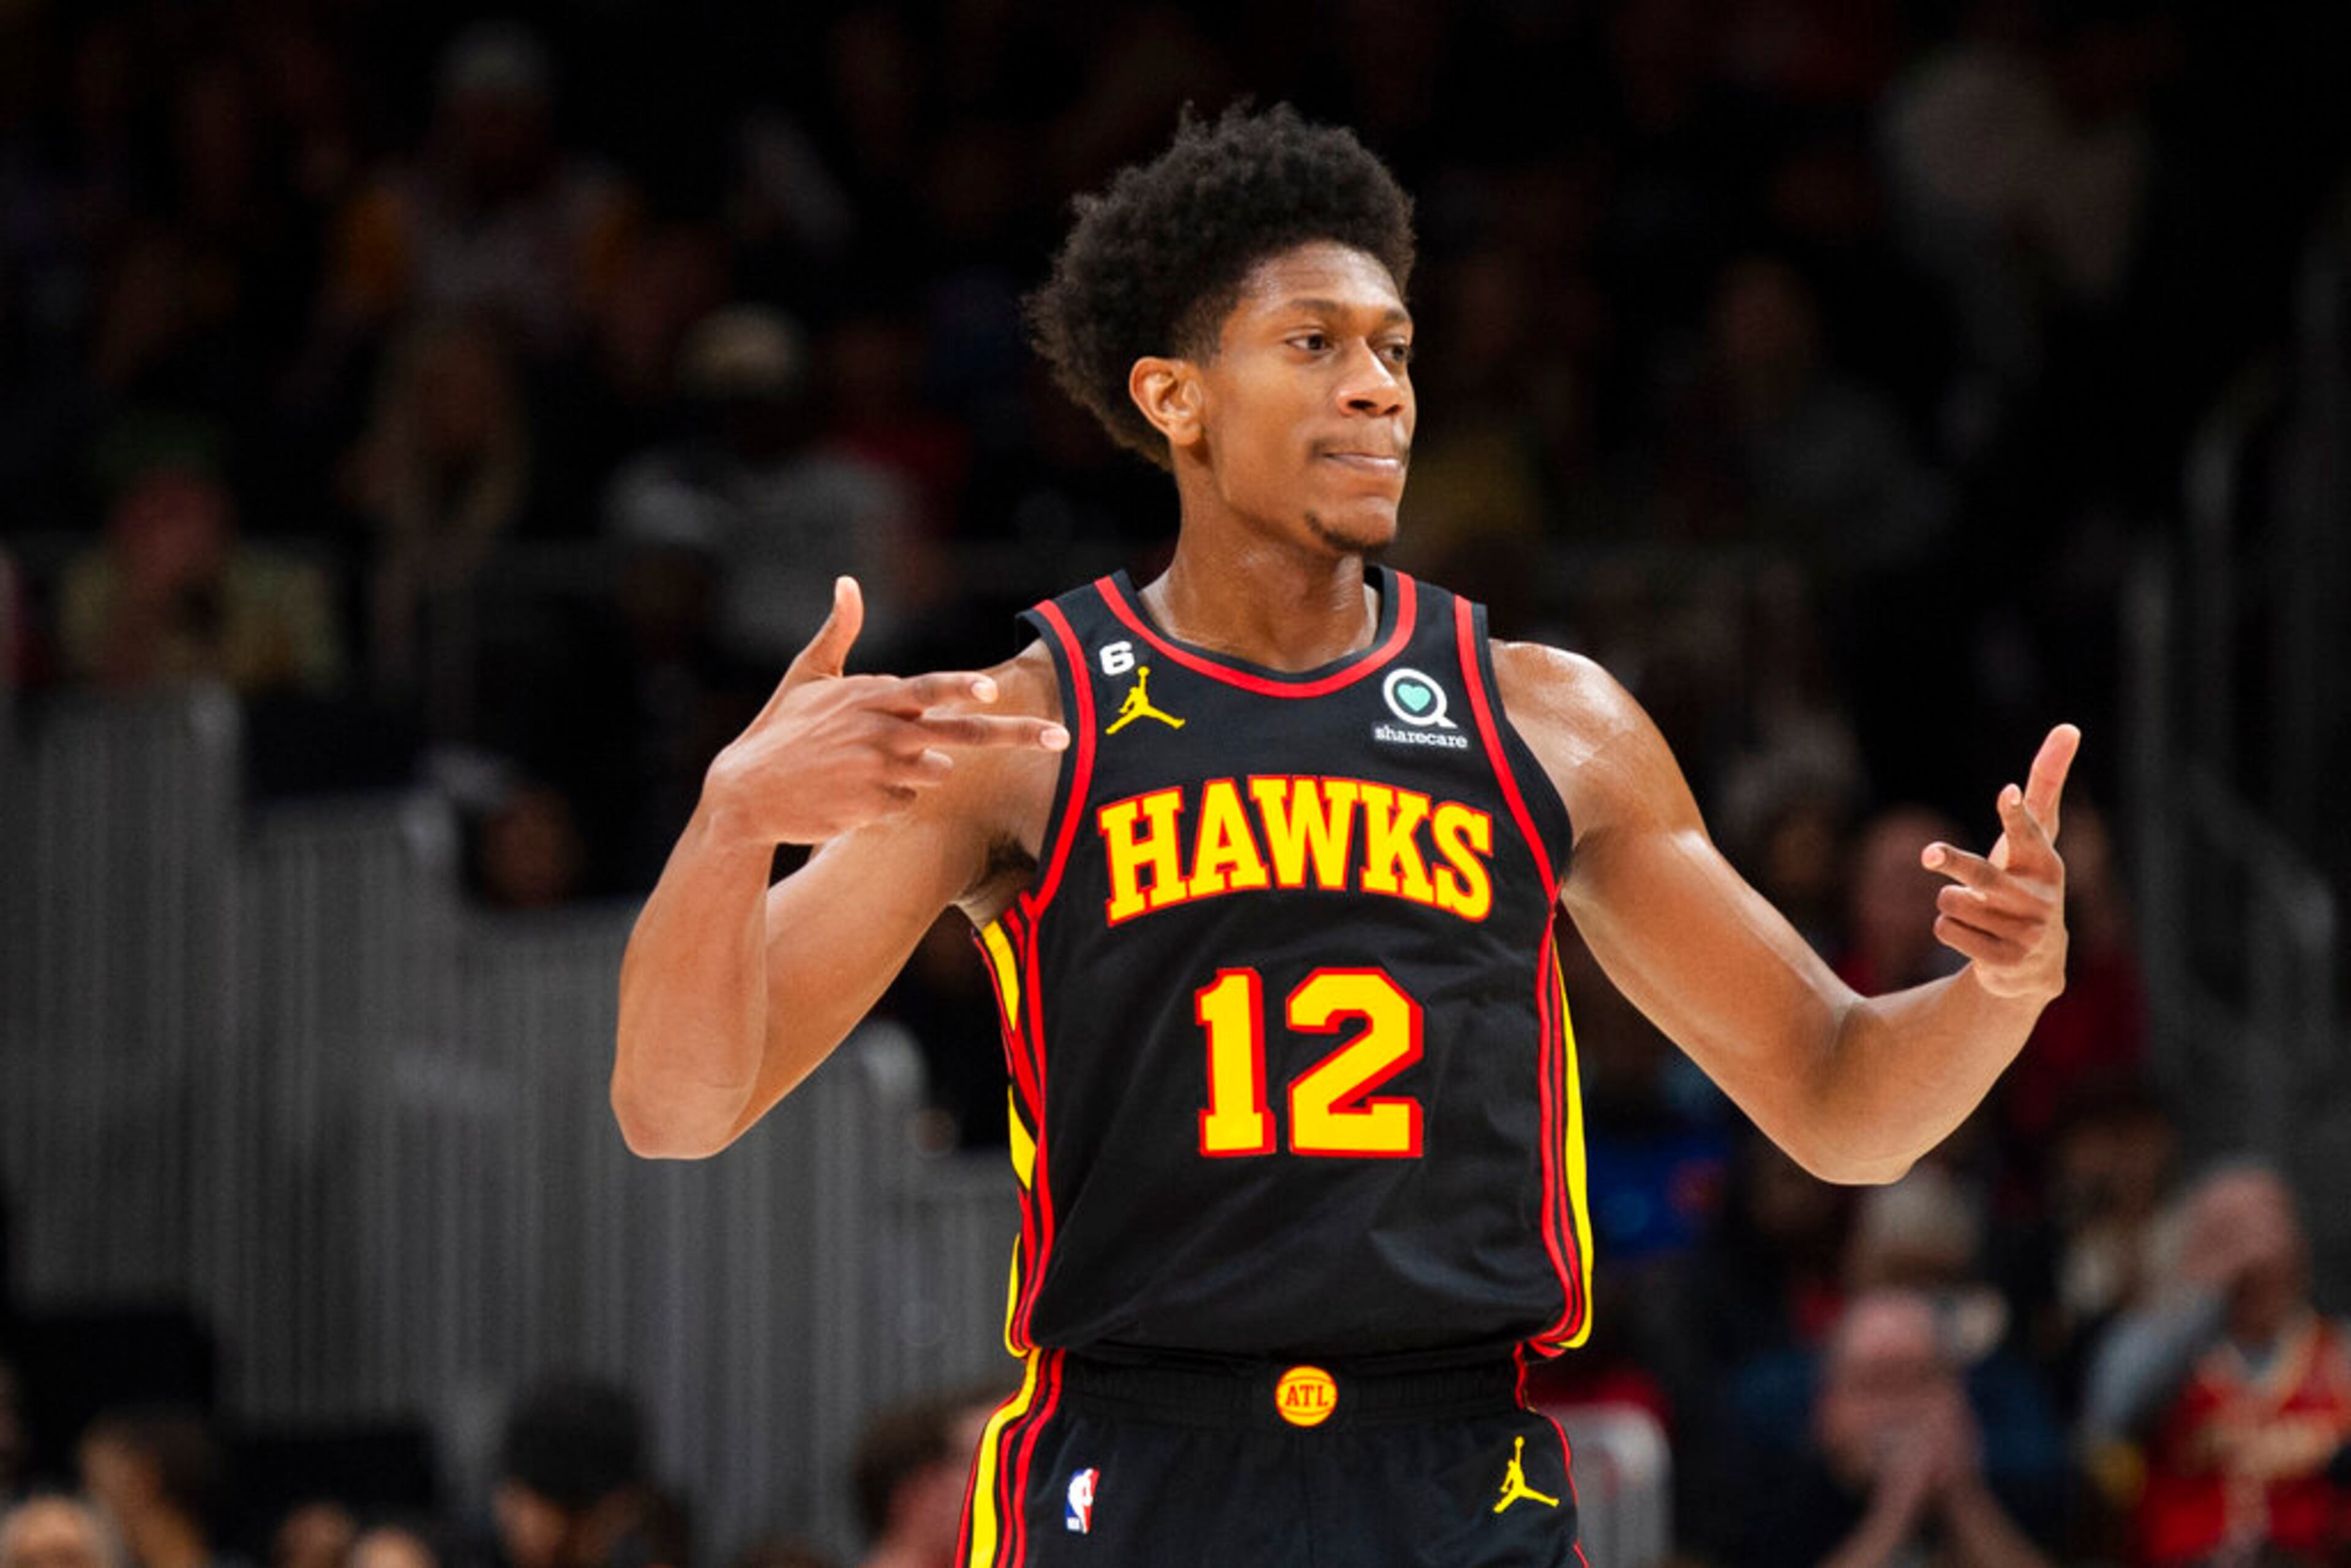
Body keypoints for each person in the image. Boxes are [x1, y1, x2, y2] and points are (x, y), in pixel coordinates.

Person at [612, 105, 2079, 1566]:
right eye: (1315, 342)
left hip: (1454, 1466)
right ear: (1175, 398)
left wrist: (1997, 995)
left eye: (1394, 347)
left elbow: (1840, 1100)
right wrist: (732, 818)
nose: (1379, 387)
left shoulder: (1552, 722)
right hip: (1148, 1464)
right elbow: (679, 1106)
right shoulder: (1029, 729)